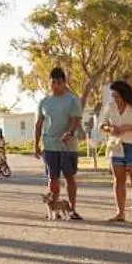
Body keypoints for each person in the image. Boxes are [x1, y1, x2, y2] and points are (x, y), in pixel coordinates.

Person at [33, 66, 85, 220]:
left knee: (70, 176)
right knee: (53, 178)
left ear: (64, 83)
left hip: (68, 146)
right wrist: (36, 144)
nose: (55, 86)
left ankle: (72, 209)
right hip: (50, 145)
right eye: (52, 82)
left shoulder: (72, 100)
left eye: (58, 82)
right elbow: (39, 123)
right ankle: (54, 209)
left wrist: (69, 133)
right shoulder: (44, 102)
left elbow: (76, 121)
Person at [100, 79, 132, 224]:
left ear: (125, 95)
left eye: (117, 96)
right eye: (113, 96)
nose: (115, 99)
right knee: (119, 180)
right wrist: (110, 129)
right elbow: (102, 124)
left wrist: (127, 127)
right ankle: (120, 213)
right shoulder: (110, 106)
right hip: (116, 146)